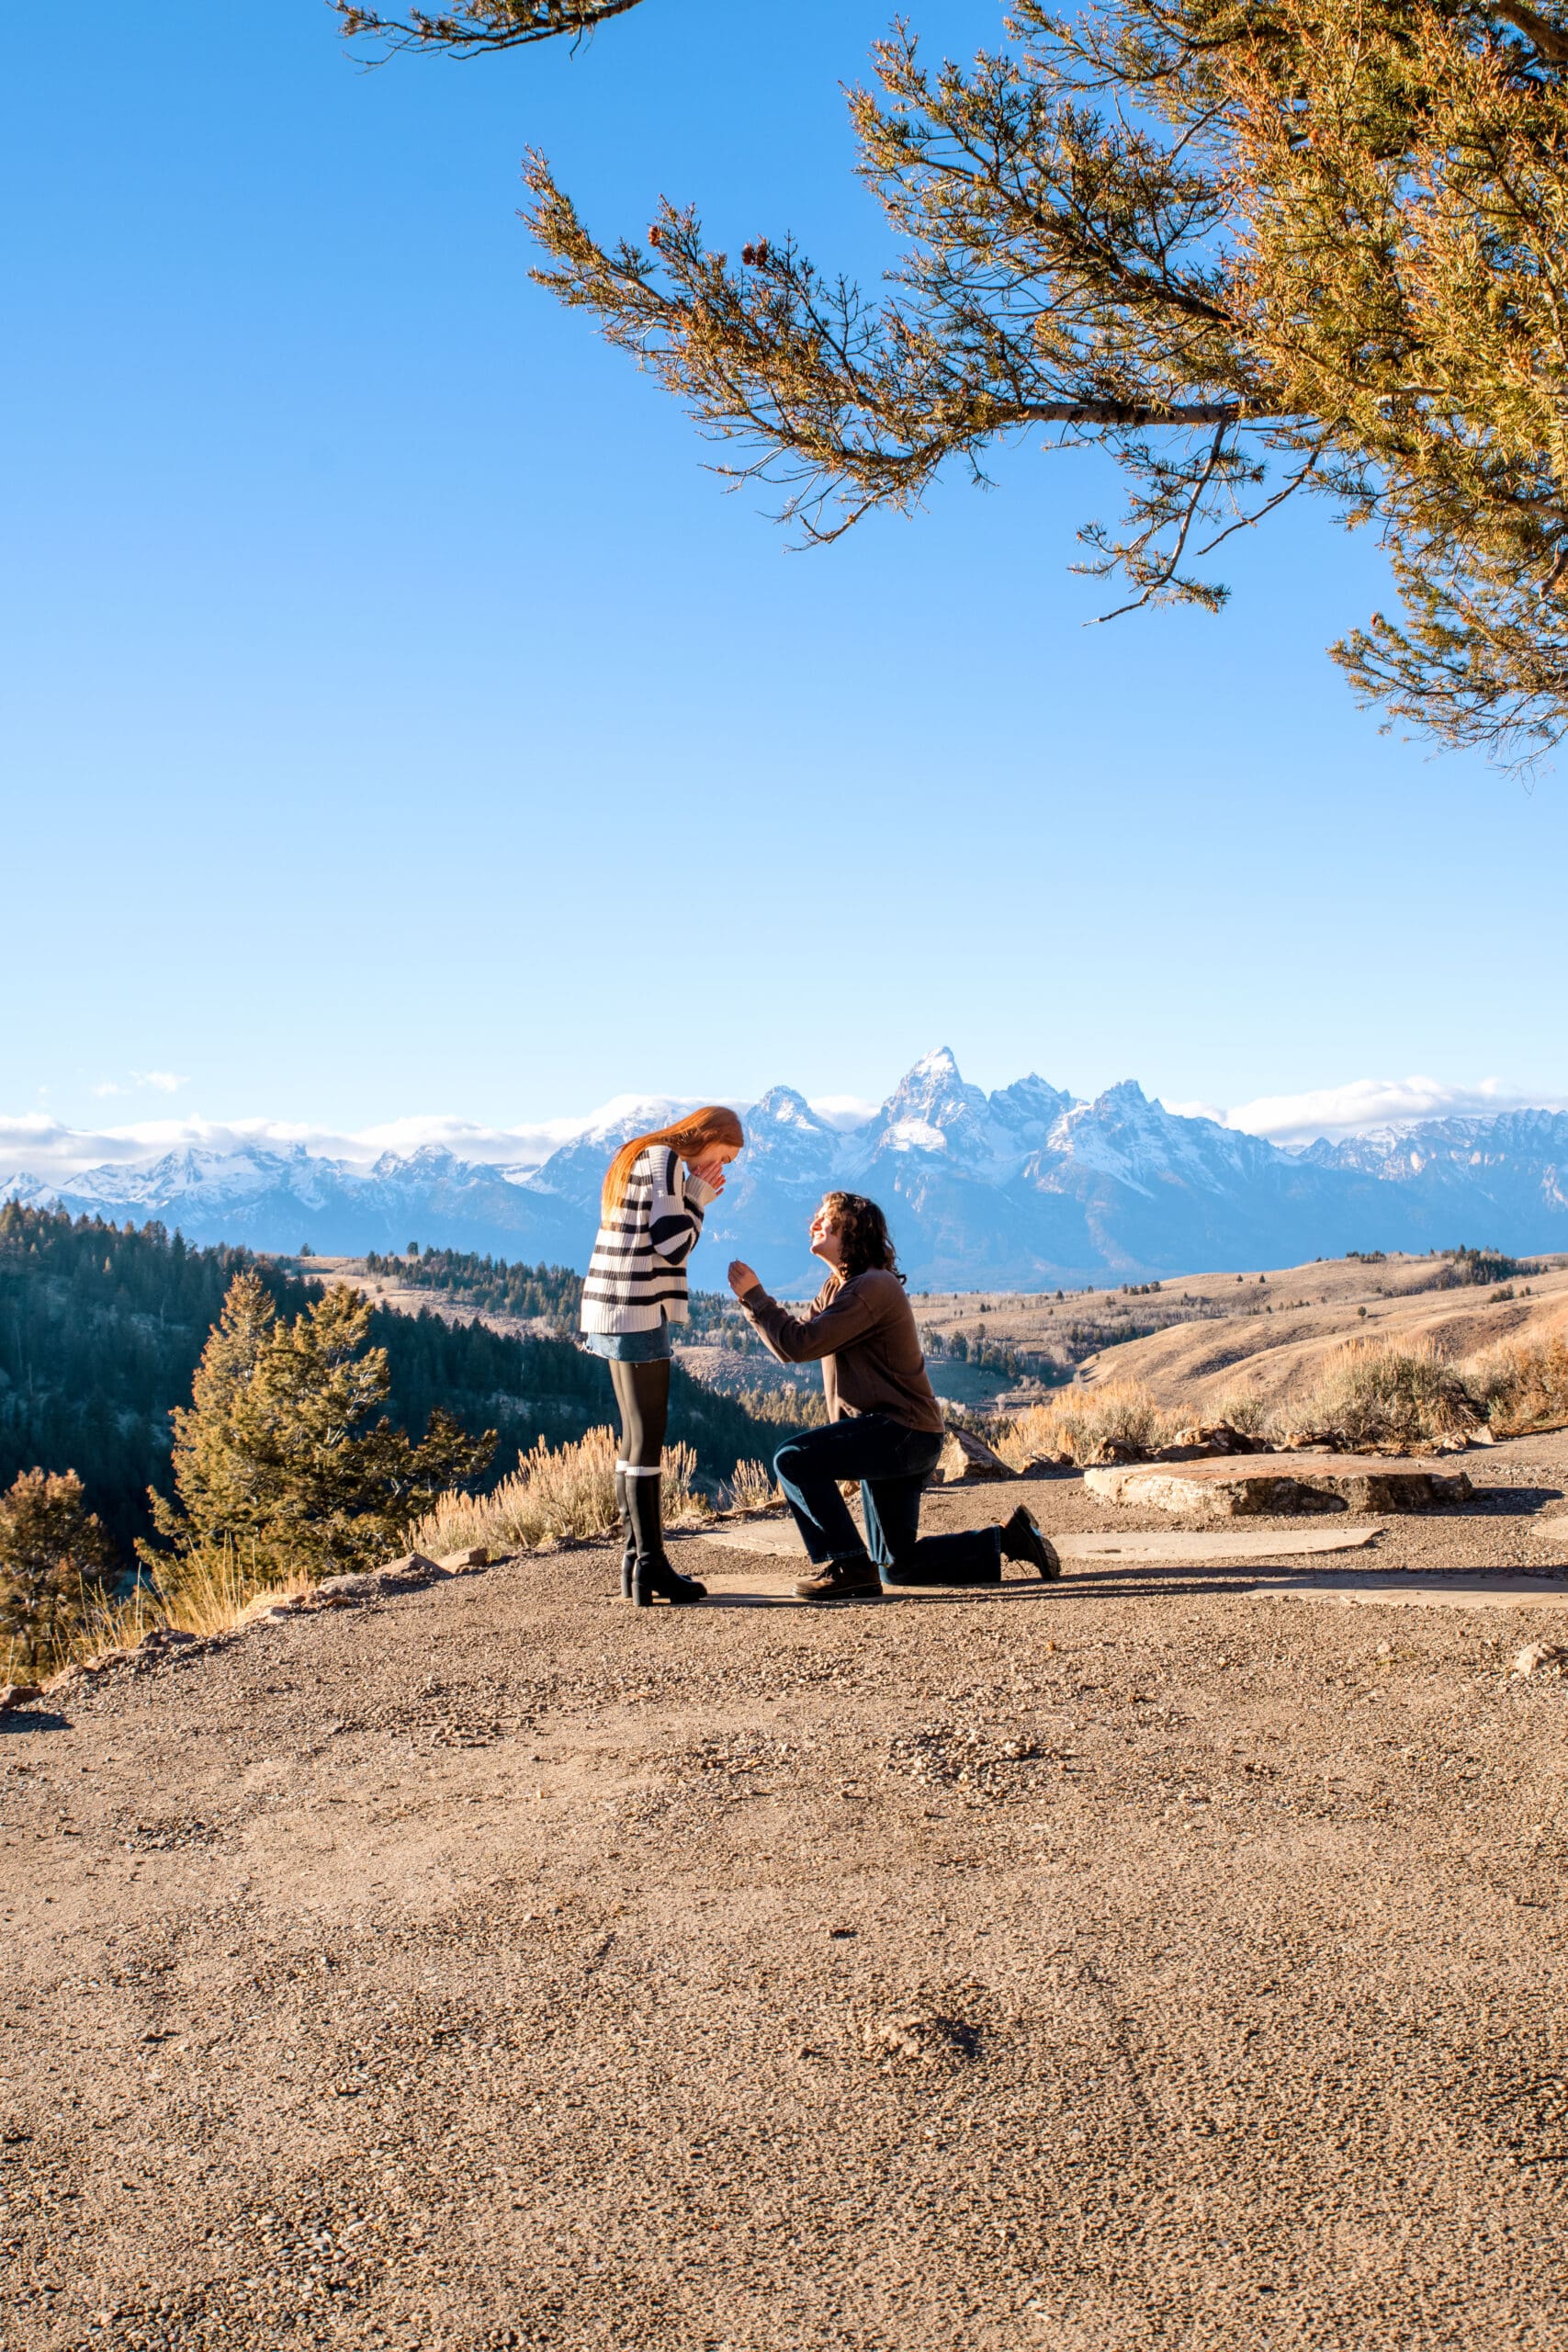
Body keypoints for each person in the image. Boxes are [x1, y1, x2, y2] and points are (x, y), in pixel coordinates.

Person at [727, 1193, 1060, 1600]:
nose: (814, 1223)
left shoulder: (872, 1287)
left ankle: (849, 1565)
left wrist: (757, 1297)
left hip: (899, 1432)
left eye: (825, 1218)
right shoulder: (838, 1287)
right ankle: (1011, 1540)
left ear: (851, 1229)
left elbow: (801, 1343)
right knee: (898, 1566)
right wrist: (752, 1301)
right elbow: (791, 1344)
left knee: (793, 1460)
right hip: (895, 1434)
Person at [581, 1106, 744, 1605]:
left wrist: (692, 1195)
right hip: (638, 1307)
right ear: (711, 1137)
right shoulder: (666, 1159)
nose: (724, 1167)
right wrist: (700, 1198)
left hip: (612, 1308)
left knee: (634, 1438)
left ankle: (636, 1560)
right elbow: (673, 1244)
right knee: (648, 1436)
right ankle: (649, 1562)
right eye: (726, 1155)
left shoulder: (645, 1156)